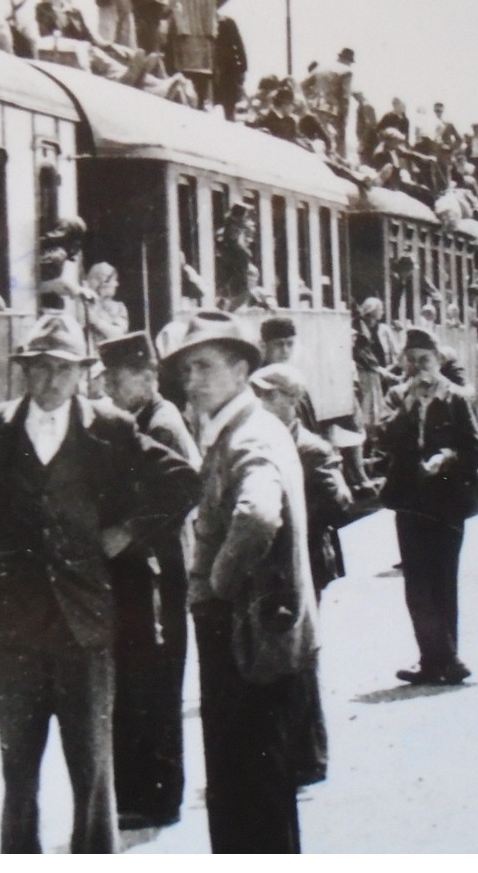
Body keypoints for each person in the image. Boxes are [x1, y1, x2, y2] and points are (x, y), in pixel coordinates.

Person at [0, 314, 200, 853]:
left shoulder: (109, 427)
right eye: (40, 368)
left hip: (87, 624)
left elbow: (182, 480)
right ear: (24, 372)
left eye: (63, 369)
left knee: (92, 768)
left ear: (81, 373)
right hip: (13, 627)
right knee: (19, 771)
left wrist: (128, 532)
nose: (52, 381)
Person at [165, 310, 314, 853]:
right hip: (255, 631)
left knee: (248, 785)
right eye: (185, 372)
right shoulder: (242, 427)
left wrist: (215, 585)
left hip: (246, 634)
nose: (191, 381)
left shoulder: (247, 434)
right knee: (253, 785)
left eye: (203, 367)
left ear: (239, 369)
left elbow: (256, 515)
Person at [95, 331, 200, 831]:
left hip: (160, 573)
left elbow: (185, 488)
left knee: (155, 688)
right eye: (107, 379)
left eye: (117, 379)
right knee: (137, 684)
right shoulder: (138, 421)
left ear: (146, 377)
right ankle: (139, 794)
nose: (109, 389)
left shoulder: (162, 423)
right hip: (142, 572)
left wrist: (129, 530)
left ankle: (158, 799)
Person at [250, 363, 351, 788]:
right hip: (281, 566)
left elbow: (341, 503)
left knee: (303, 656)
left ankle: (310, 756)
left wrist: (295, 524)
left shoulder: (311, 448)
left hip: (307, 561)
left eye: (268, 397)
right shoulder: (269, 441)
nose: (260, 403)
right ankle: (289, 750)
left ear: (291, 402)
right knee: (283, 655)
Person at [380, 328, 478, 685]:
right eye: (411, 361)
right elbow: (383, 441)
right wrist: (406, 408)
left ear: (439, 361)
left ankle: (447, 656)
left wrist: (447, 457)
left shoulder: (456, 399)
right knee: (417, 581)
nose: (418, 369)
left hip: (447, 500)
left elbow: (476, 452)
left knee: (443, 577)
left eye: (424, 360)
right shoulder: (397, 396)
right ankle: (434, 659)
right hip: (410, 500)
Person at [260, 316, 317, 430]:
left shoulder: (293, 378)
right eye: (278, 344)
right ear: (263, 345)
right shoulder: (259, 381)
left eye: (290, 344)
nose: (285, 350)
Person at [353, 298, 400, 437]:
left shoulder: (383, 329)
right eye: (380, 309)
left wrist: (391, 369)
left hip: (384, 371)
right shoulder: (359, 328)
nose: (383, 312)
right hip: (368, 372)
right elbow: (362, 353)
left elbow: (394, 350)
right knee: (369, 409)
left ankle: (380, 439)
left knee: (381, 408)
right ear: (373, 311)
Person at [212, 0, 247, 120]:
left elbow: (239, 45)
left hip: (228, 70)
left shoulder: (227, 22)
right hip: (212, 69)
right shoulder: (204, 24)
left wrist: (242, 68)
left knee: (229, 106)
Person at [83, 261, 130, 347]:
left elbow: (119, 335)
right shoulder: (83, 304)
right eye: (114, 280)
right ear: (103, 283)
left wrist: (97, 322)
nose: (117, 284)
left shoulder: (119, 307)